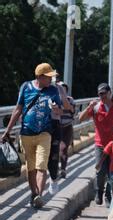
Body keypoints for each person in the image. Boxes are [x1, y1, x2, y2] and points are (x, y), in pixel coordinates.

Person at [1, 63, 72, 208]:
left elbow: (60, 111)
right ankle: (33, 193)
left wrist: (56, 109)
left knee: (41, 166)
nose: (51, 80)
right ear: (40, 77)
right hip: (26, 133)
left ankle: (39, 195)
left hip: (45, 133)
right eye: (48, 77)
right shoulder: (26, 87)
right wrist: (7, 130)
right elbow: (18, 109)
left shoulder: (53, 90)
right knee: (30, 167)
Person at [79, 83, 113, 207]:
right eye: (100, 94)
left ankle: (108, 195)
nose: (102, 96)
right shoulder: (95, 107)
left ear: (110, 93)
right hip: (100, 145)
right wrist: (89, 107)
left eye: (104, 93)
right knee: (100, 171)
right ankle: (99, 191)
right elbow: (80, 119)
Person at [58, 82, 76, 179]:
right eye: (60, 89)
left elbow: (73, 111)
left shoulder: (70, 100)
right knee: (55, 149)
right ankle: (54, 168)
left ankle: (63, 169)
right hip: (56, 127)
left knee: (64, 148)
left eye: (63, 89)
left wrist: (65, 102)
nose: (62, 90)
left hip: (67, 127)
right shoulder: (53, 99)